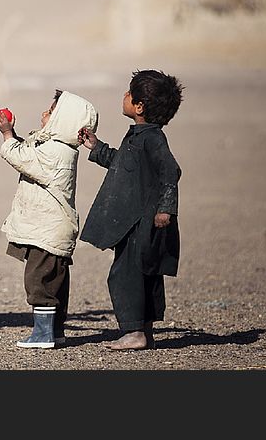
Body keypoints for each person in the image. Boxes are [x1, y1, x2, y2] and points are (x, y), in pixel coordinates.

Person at [78, 70, 183, 351]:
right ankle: (143, 331)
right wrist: (96, 147)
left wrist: (166, 209)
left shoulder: (152, 139)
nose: (124, 96)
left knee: (126, 274)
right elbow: (123, 164)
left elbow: (170, 171)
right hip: (133, 221)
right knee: (141, 272)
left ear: (139, 107)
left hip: (143, 222)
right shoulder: (138, 135)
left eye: (129, 93)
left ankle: (134, 332)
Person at [0, 91, 98, 348]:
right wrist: (13, 134)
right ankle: (56, 332)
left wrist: (7, 134)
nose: (44, 114)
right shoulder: (55, 147)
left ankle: (43, 335)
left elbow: (21, 157)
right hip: (50, 229)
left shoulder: (56, 152)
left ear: (63, 121)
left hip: (48, 231)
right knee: (55, 282)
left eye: (50, 112)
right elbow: (29, 152)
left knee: (39, 281)